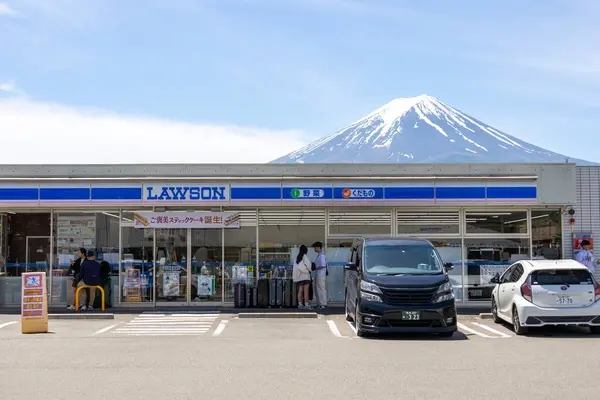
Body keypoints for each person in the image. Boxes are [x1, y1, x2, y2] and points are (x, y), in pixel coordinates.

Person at [293, 245, 313, 310]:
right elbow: (309, 266)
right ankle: (306, 305)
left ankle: (300, 304)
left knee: (300, 290)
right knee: (306, 291)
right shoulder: (305, 257)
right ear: (305, 251)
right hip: (305, 276)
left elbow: (295, 268)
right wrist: (308, 270)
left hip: (299, 277)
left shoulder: (297, 257)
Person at [312, 241, 328, 309]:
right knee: (318, 289)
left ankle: (323, 304)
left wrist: (315, 268)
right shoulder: (319, 255)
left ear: (318, 247)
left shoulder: (321, 256)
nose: (314, 249)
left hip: (321, 275)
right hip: (319, 274)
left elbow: (323, 265)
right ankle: (319, 303)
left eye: (315, 247)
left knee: (321, 289)